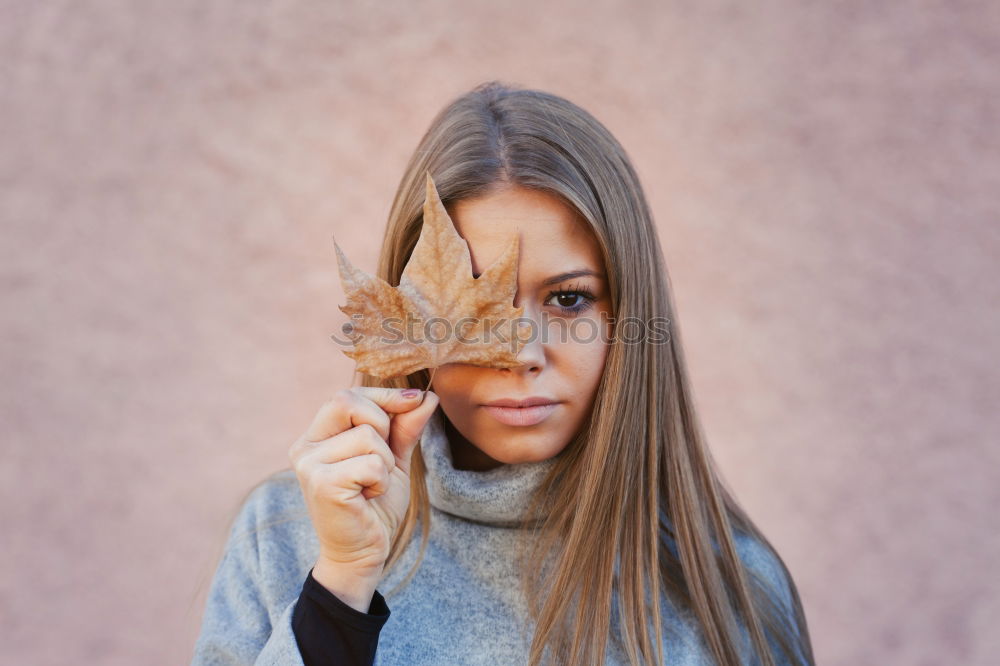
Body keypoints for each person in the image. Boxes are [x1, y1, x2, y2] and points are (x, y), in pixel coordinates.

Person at [191, 80, 815, 666]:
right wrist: (340, 589)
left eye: (569, 300)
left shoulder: (728, 587)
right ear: (409, 315)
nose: (522, 355)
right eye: (477, 307)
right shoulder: (285, 534)